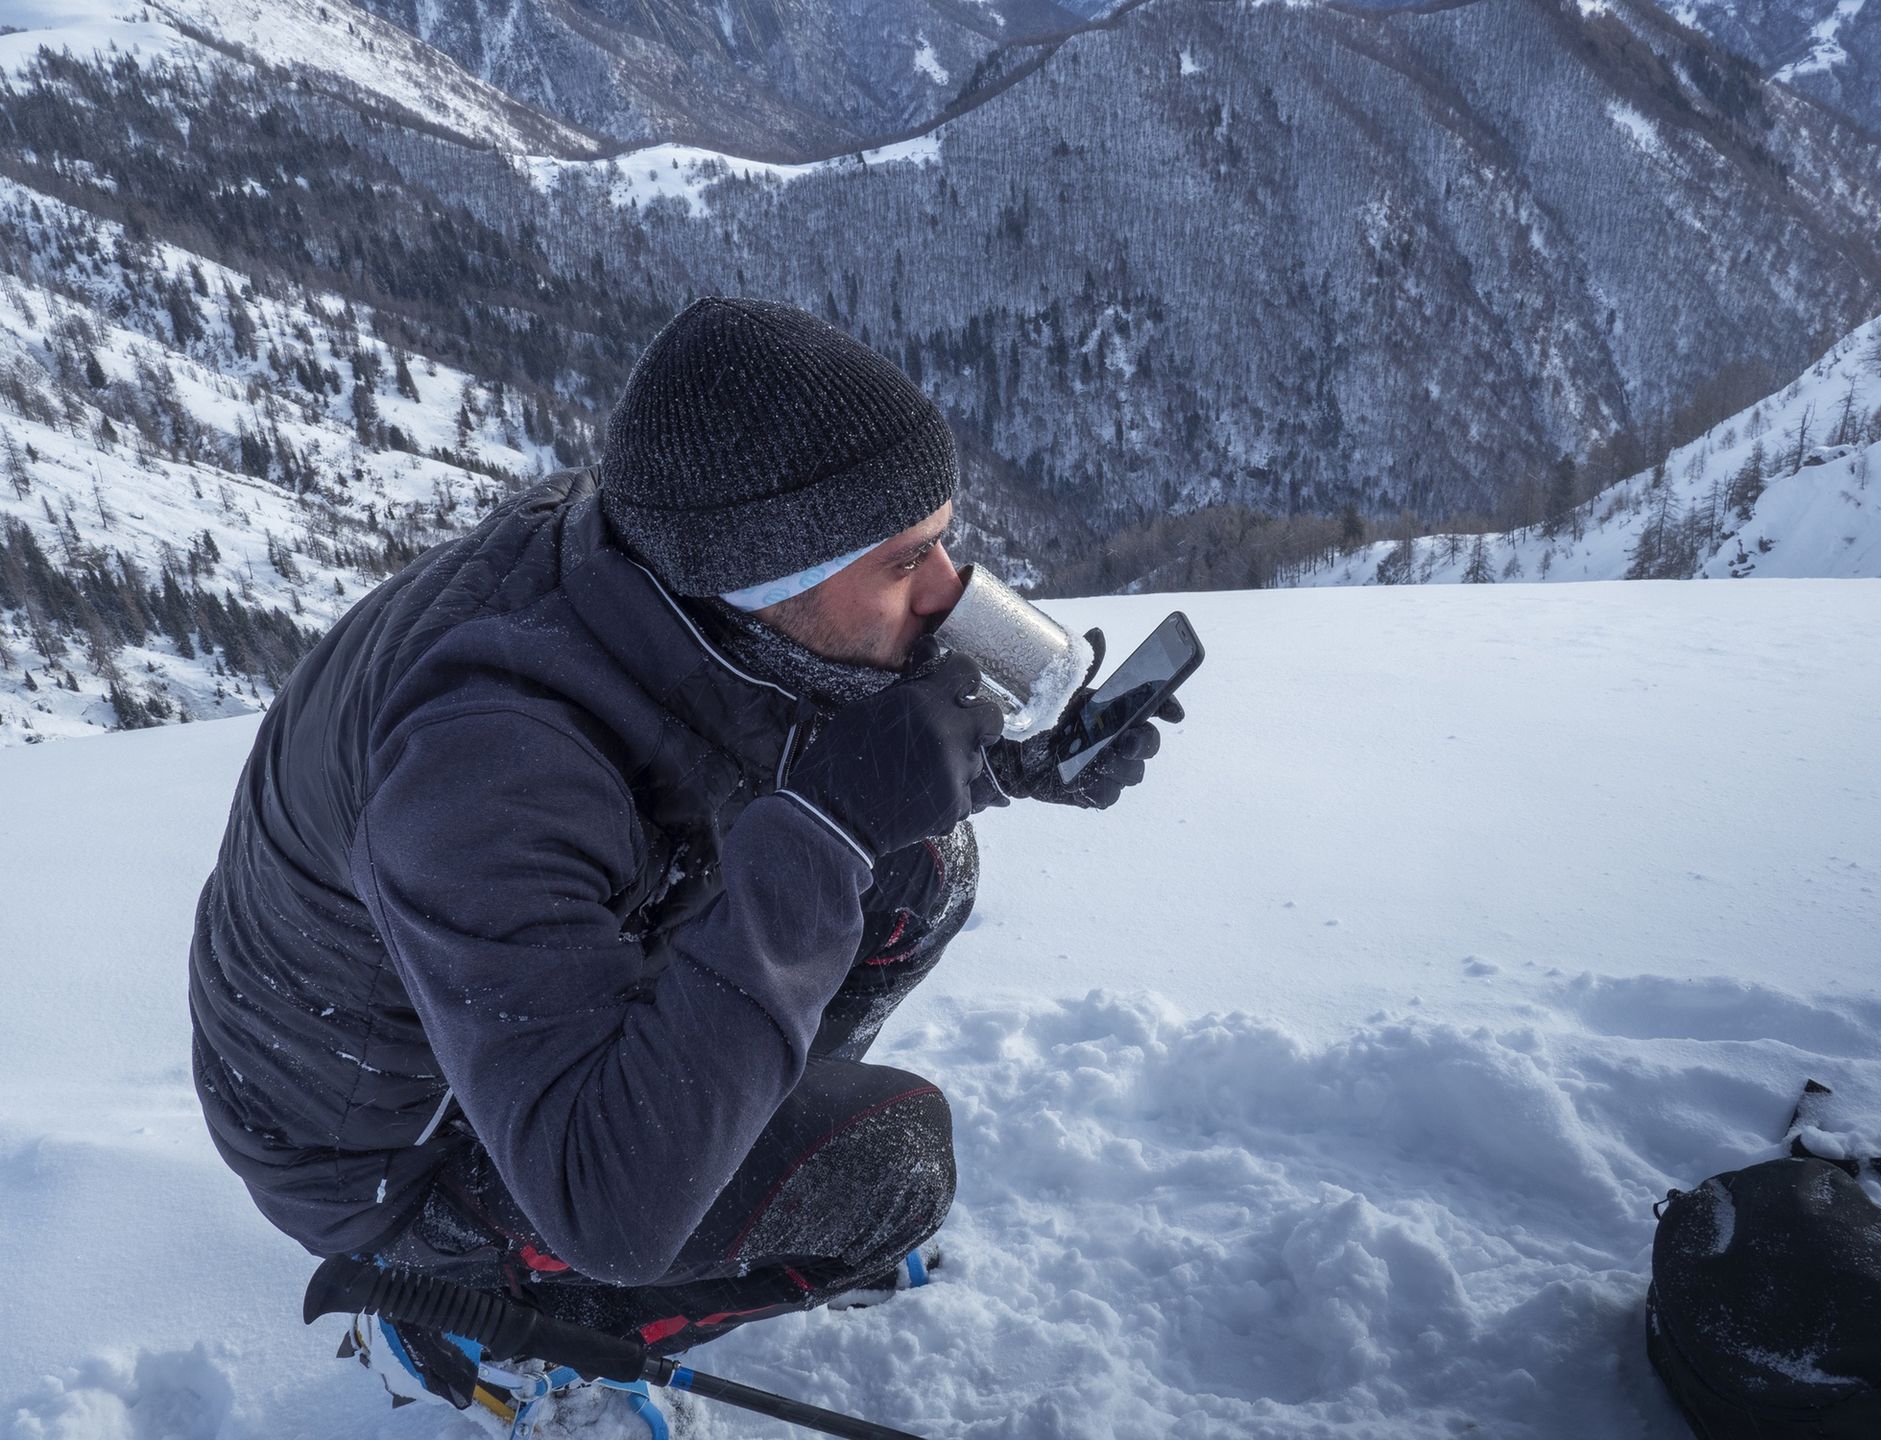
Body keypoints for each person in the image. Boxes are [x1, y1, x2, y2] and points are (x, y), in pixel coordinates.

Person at [187, 297, 1178, 1417]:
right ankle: (461, 1312)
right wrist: (833, 827)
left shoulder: (662, 572)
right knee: (890, 1167)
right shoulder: (488, 769)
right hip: (382, 1151)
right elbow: (609, 1202)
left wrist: (1005, 767)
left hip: (476, 1004)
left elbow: (740, 724)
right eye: (907, 560)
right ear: (767, 574)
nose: (951, 590)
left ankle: (730, 1101)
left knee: (919, 871)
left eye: (944, 541)